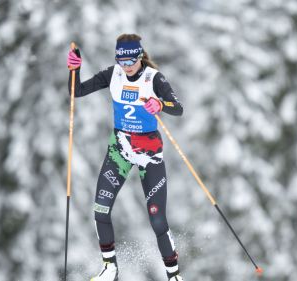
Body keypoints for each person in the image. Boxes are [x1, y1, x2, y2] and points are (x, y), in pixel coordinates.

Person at [67, 33, 184, 281]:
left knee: (157, 219)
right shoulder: (114, 74)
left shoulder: (154, 78)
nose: (127, 67)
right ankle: (110, 268)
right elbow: (76, 91)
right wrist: (74, 70)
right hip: (120, 149)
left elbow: (178, 107)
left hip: (149, 153)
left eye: (131, 61)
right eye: (122, 61)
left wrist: (161, 105)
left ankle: (173, 276)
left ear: (140, 57)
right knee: (100, 208)